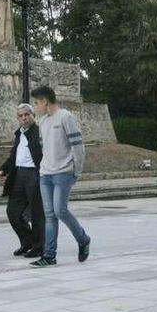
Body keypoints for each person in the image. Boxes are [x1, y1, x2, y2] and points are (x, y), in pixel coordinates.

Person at [28, 86, 91, 268]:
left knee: (59, 210)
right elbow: (44, 148)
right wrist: (42, 168)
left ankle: (83, 239)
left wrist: (76, 170)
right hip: (45, 174)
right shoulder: (43, 121)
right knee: (49, 215)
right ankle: (49, 256)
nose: (35, 106)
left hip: (64, 173)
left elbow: (78, 147)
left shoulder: (65, 117)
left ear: (45, 101)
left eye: (37, 102)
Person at [0, 103, 44, 258]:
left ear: (33, 116)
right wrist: (4, 168)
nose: (24, 118)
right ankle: (27, 242)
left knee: (37, 214)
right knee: (13, 212)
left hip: (35, 175)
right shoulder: (19, 134)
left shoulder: (40, 132)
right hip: (18, 175)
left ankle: (39, 247)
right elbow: (14, 155)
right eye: (20, 115)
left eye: (26, 114)